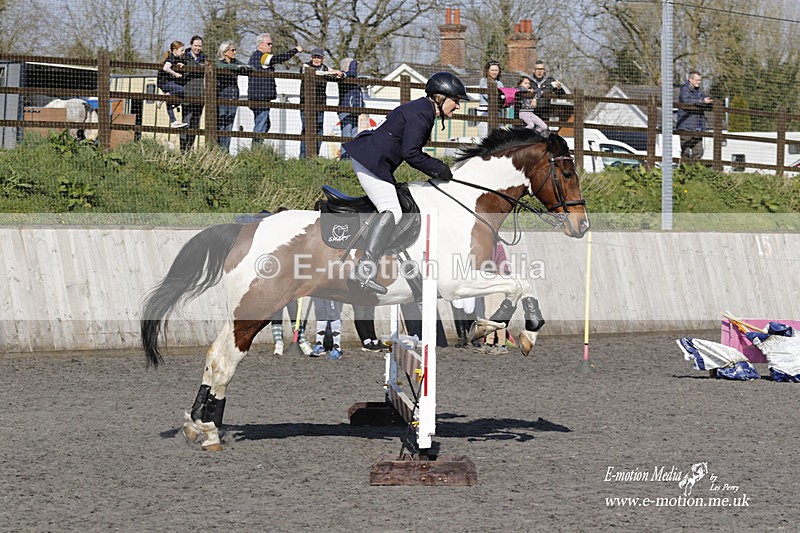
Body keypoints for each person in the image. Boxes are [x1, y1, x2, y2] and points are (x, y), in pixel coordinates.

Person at [342, 72, 469, 295]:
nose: (458, 106)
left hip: (375, 161)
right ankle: (364, 271)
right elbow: (411, 154)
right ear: (440, 97)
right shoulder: (422, 114)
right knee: (392, 211)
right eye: (455, 100)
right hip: (370, 161)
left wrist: (437, 168)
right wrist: (439, 169)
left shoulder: (422, 109)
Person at [247, 34, 302, 145]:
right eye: (268, 44)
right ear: (260, 45)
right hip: (261, 97)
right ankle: (256, 148)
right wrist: (295, 50)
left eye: (271, 44)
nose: (271, 46)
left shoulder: (254, 57)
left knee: (264, 123)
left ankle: (257, 146)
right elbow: (279, 58)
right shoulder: (262, 57)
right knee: (261, 124)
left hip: (256, 95)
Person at [299, 48, 343, 158]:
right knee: (306, 129)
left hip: (320, 103)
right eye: (315, 57)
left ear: (323, 59)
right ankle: (303, 156)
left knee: (319, 129)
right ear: (311, 57)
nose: (316, 59)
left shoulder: (325, 68)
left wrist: (339, 73)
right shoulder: (306, 66)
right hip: (306, 103)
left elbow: (335, 73)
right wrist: (331, 72)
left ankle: (315, 155)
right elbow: (316, 73)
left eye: (319, 57)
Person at [215, 41, 252, 152]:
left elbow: (249, 67)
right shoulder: (219, 62)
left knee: (230, 125)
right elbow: (220, 67)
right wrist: (235, 67)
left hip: (234, 96)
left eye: (235, 50)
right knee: (221, 123)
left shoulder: (236, 62)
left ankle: (225, 150)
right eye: (232, 50)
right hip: (222, 96)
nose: (235, 52)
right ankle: (219, 150)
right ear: (225, 52)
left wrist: (242, 67)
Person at [482, 241, 512, 354]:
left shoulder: (498, 245)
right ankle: (489, 342)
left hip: (498, 280)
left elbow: (502, 267)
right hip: (489, 281)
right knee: (488, 314)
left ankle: (501, 344)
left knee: (497, 315)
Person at [676, 71, 713, 162]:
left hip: (697, 127)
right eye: (697, 80)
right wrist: (702, 101)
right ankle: (685, 167)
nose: (699, 82)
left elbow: (704, 98)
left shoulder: (699, 91)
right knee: (686, 151)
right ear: (690, 79)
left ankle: (694, 167)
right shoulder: (684, 89)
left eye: (700, 80)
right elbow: (686, 101)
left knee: (699, 151)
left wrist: (709, 101)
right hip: (686, 126)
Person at [180, 35, 206, 152]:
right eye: (196, 45)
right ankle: (183, 151)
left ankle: (190, 149)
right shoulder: (183, 58)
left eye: (200, 46)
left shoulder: (204, 59)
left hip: (200, 96)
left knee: (195, 124)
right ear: (191, 45)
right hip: (187, 95)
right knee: (186, 122)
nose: (197, 48)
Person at [336, 57, 364, 160]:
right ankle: (344, 159)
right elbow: (351, 73)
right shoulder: (343, 76)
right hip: (346, 109)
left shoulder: (354, 78)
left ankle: (351, 159)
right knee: (346, 135)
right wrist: (354, 62)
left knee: (354, 135)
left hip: (355, 110)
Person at [157, 40, 188, 128]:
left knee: (169, 101)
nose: (183, 52)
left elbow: (173, 63)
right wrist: (175, 74)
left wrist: (179, 63)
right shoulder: (171, 57)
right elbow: (166, 68)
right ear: (175, 50)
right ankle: (163, 97)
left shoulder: (175, 58)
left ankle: (173, 121)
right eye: (181, 50)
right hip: (164, 82)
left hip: (164, 82)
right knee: (181, 89)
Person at [478, 60, 504, 138]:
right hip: (484, 111)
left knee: (497, 136)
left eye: (496, 70)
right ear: (488, 71)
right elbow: (486, 95)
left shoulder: (500, 83)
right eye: (492, 70)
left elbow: (504, 95)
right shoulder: (483, 81)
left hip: (497, 111)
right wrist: (499, 97)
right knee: (484, 136)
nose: (494, 72)